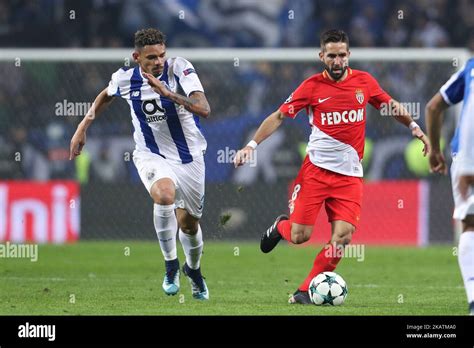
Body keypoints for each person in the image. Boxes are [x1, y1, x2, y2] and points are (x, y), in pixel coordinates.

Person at [234, 29, 430, 304]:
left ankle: (303, 291)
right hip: (315, 172)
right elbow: (279, 116)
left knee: (343, 237)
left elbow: (389, 105)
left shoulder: (364, 82)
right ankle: (281, 228)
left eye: (341, 55)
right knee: (301, 236)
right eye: (331, 56)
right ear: (321, 56)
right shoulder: (311, 87)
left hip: (349, 177)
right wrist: (251, 146)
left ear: (348, 55)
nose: (337, 61)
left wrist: (414, 127)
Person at [69, 28, 211, 300]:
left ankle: (193, 270)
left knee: (189, 225)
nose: (158, 62)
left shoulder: (180, 68)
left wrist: (168, 93)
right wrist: (82, 126)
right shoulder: (124, 79)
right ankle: (170, 266)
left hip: (189, 156)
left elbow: (203, 109)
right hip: (150, 153)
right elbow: (106, 96)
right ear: (137, 57)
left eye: (161, 56)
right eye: (151, 58)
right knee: (164, 195)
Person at [425, 58, 474, 315]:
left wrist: (435, 150)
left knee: (470, 224)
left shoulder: (470, 67)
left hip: (463, 155)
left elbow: (434, 107)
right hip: (466, 157)